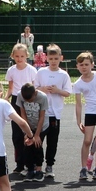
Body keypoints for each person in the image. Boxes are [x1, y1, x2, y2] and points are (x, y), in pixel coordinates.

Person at [35, 44, 72, 178]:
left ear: (61, 58)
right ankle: (37, 164)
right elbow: (34, 88)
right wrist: (42, 89)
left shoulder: (64, 75)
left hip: (55, 114)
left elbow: (68, 93)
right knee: (38, 140)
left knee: (52, 142)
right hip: (41, 113)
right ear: (46, 58)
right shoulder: (41, 72)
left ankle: (49, 165)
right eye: (51, 58)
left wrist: (57, 91)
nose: (53, 61)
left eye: (56, 58)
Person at [73, 52, 96, 181]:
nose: (84, 67)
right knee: (87, 140)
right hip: (90, 112)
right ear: (77, 66)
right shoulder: (78, 84)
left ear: (92, 65)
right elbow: (78, 104)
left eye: (86, 64)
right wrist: (78, 121)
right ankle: (83, 168)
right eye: (81, 65)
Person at [5, 43, 37, 174]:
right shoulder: (11, 70)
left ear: (27, 56)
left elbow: (35, 87)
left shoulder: (32, 70)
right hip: (16, 101)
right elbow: (11, 88)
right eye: (17, 56)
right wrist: (6, 98)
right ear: (13, 56)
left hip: (29, 100)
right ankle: (19, 162)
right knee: (17, 133)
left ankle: (32, 162)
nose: (19, 59)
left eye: (22, 56)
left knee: (30, 130)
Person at [15, 83, 48, 181]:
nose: (28, 102)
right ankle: (30, 170)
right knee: (28, 146)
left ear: (35, 93)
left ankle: (38, 170)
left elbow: (42, 117)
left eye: (30, 100)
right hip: (28, 125)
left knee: (37, 145)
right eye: (26, 101)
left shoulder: (43, 97)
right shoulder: (20, 95)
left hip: (40, 126)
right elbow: (22, 113)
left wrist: (37, 135)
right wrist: (27, 132)